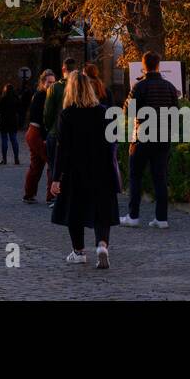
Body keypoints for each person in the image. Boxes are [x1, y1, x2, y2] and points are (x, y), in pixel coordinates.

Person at [50, 71, 120, 269]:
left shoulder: (67, 115)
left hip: (75, 171)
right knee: (102, 210)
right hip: (102, 169)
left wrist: (56, 178)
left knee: (75, 211)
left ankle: (78, 251)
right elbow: (111, 143)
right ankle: (102, 245)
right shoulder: (104, 112)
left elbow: (62, 150)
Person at [119, 51, 180, 229]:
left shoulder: (140, 87)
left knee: (135, 176)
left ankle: (133, 216)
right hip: (163, 138)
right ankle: (161, 219)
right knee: (160, 178)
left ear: (143, 66)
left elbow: (127, 111)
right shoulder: (169, 87)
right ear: (158, 65)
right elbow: (176, 113)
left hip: (142, 137)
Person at [43, 58, 74, 204]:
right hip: (75, 134)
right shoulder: (80, 86)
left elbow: (48, 114)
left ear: (63, 69)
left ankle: (54, 196)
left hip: (56, 132)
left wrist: (49, 128)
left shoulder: (54, 88)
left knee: (54, 166)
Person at [22, 70, 55, 203]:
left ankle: (29, 194)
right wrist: (45, 138)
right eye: (49, 82)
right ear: (43, 83)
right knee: (52, 162)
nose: (51, 85)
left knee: (36, 164)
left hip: (33, 133)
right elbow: (41, 119)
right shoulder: (42, 96)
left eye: (53, 82)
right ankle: (51, 196)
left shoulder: (40, 95)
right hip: (37, 133)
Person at [0, 82, 21, 165]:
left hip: (4, 121)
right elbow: (19, 109)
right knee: (14, 139)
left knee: (4, 140)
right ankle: (16, 159)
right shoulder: (15, 99)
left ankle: (4, 159)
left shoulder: (3, 99)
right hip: (13, 121)